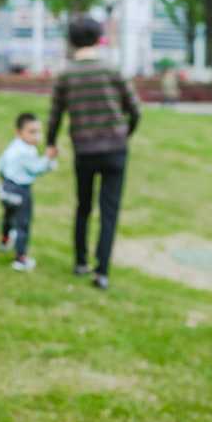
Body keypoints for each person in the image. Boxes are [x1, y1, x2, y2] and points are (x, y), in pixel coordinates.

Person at [47, 15, 140, 290]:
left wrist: (51, 142)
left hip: (84, 150)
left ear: (72, 40)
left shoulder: (66, 74)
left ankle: (79, 261)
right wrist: (125, 132)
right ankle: (102, 272)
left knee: (83, 206)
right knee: (109, 211)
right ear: (99, 38)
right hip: (115, 148)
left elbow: (55, 115)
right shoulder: (112, 70)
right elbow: (135, 110)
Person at [0, 112, 57, 272]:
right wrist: (49, 160)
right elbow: (36, 169)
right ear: (19, 132)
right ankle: (21, 258)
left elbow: (0, 165)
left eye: (38, 131)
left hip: (5, 189)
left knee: (8, 217)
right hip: (21, 192)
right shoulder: (27, 151)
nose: (36, 136)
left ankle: (4, 240)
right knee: (23, 224)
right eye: (32, 132)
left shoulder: (13, 145)